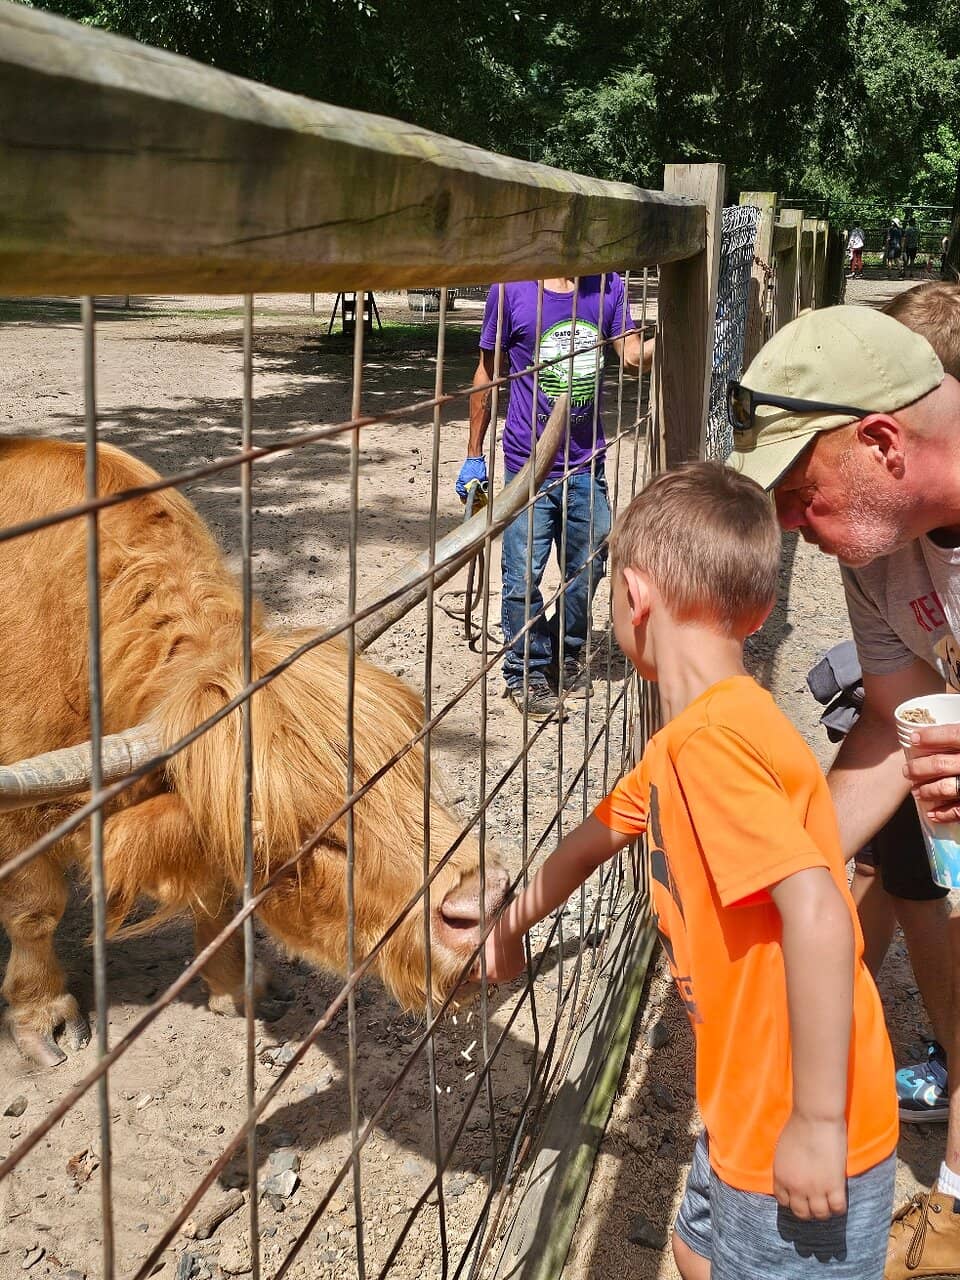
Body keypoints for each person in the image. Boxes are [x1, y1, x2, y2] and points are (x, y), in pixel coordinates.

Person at [484, 462, 898, 1279]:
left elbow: (818, 913)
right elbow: (594, 837)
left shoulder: (712, 749)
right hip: (741, 1106)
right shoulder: (697, 735)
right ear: (762, 610)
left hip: (800, 1122)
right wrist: (507, 921)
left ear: (633, 597)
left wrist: (815, 1123)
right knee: (692, 1249)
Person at [729, 292, 960, 1277]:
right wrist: (779, 869)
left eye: (795, 487)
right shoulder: (879, 548)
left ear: (880, 439)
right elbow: (889, 718)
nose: (784, 521)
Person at [458, 276, 653, 721]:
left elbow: (632, 356)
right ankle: (524, 671)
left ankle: (565, 654)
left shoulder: (607, 287)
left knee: (589, 566)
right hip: (528, 465)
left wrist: (687, 333)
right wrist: (473, 455)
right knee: (522, 573)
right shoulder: (510, 291)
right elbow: (489, 372)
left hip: (586, 461)